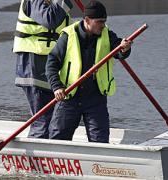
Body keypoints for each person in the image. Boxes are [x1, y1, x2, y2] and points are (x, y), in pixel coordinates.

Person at [46, 0, 132, 143]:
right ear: (87, 20)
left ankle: (99, 165)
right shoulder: (68, 36)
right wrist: (57, 87)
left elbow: (119, 51)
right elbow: (51, 63)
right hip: (69, 97)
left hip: (95, 98)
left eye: (104, 21)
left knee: (100, 141)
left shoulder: (107, 34)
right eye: (99, 21)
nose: (103, 25)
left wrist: (125, 48)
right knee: (58, 139)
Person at [13, 0, 73, 138]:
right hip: (33, 64)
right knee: (43, 120)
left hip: (50, 65)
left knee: (54, 119)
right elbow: (50, 20)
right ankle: (36, 158)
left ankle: (50, 155)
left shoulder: (55, 3)